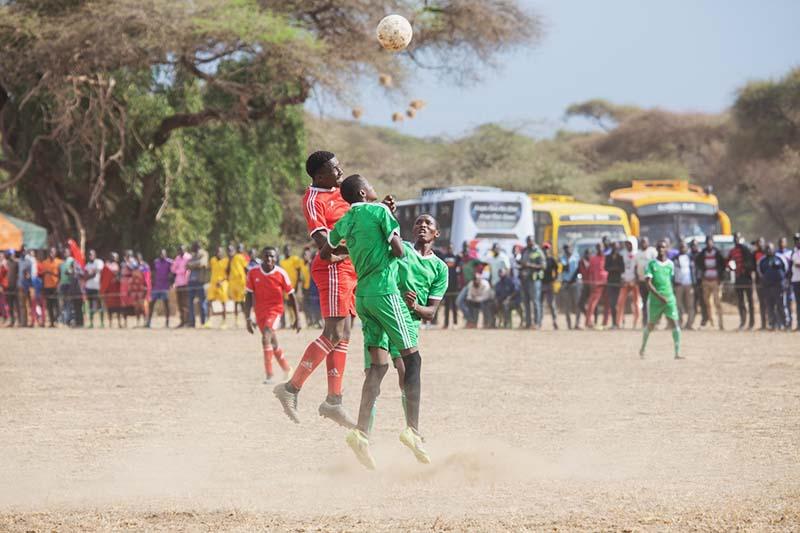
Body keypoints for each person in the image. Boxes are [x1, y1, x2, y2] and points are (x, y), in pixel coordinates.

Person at [318, 174, 427, 469]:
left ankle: (361, 434)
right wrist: (387, 234)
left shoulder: (345, 220)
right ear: (364, 193)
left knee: (378, 367)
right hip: (385, 293)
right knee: (412, 359)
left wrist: (354, 251)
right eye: (371, 187)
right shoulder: (379, 211)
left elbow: (326, 252)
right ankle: (413, 431)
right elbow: (399, 250)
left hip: (363, 297)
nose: (375, 190)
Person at [274, 151, 358, 428]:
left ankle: (334, 400)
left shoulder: (342, 192)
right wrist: (357, 246)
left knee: (344, 334)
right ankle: (291, 388)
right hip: (333, 268)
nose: (340, 171)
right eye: (335, 168)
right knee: (333, 332)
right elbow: (324, 242)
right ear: (320, 176)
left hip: (351, 268)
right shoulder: (313, 199)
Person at [367, 214, 448, 447]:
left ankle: (412, 430)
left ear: (437, 233)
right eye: (418, 222)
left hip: (409, 324)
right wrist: (387, 212)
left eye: (428, 223)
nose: (422, 225)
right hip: (385, 312)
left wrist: (414, 306)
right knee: (374, 374)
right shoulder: (402, 250)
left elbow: (431, 312)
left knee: (405, 374)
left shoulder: (440, 268)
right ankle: (364, 435)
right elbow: (384, 235)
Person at [244, 247, 301, 383]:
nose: (269, 259)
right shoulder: (253, 273)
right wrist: (248, 318)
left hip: (275, 310)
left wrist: (297, 318)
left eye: (272, 256)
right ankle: (287, 369)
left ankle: (269, 375)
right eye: (266, 256)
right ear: (262, 257)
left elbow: (292, 296)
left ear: (276, 258)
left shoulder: (281, 273)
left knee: (266, 337)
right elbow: (248, 296)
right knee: (272, 342)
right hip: (259, 312)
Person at [639, 240, 683, 360]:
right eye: (659, 247)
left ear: (667, 248)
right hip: (655, 300)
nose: (661, 249)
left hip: (669, 299)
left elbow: (670, 281)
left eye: (663, 247)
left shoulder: (670, 264)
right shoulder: (651, 264)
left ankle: (677, 353)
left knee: (675, 323)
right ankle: (642, 348)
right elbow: (648, 283)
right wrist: (660, 296)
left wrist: (670, 295)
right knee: (651, 325)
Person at [696, 236, 725, 330]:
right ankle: (712, 323)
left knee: (718, 302)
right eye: (707, 242)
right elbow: (698, 263)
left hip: (716, 281)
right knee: (708, 303)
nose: (709, 244)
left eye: (710, 242)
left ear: (713, 243)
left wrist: (721, 278)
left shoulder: (718, 253)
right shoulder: (702, 253)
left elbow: (723, 265)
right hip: (706, 281)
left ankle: (721, 324)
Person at [727, 232, 755, 330]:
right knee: (740, 301)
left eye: (738, 238)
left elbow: (752, 262)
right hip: (738, 278)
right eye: (735, 238)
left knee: (750, 301)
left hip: (747, 278)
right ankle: (743, 322)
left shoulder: (746, 249)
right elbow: (728, 261)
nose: (736, 240)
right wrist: (732, 268)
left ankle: (751, 323)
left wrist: (746, 269)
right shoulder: (733, 251)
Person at [759, 243, 788, 330]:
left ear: (773, 249)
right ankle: (772, 324)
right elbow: (760, 271)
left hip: (779, 285)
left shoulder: (780, 257)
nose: (768, 250)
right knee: (770, 306)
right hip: (768, 286)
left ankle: (784, 324)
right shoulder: (762, 260)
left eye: (770, 248)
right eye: (767, 249)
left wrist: (783, 280)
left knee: (781, 305)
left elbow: (786, 268)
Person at [519, 237, 544, 329]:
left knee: (535, 301)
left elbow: (543, 265)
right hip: (525, 280)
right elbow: (522, 263)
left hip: (534, 280)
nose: (529, 243)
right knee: (526, 302)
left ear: (533, 241)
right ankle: (528, 323)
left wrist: (530, 265)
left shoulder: (538, 251)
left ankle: (537, 323)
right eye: (528, 241)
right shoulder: (525, 251)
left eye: (530, 241)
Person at [279, 245, 305, 329]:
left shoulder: (295, 259)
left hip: (293, 286)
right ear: (284, 251)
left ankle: (295, 321)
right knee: (286, 305)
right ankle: (288, 322)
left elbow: (299, 272)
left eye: (289, 250)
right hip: (284, 287)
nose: (288, 252)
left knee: (293, 304)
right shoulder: (282, 262)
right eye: (286, 250)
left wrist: (297, 286)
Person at [146, 249, 173, 328]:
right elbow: (153, 272)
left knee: (166, 305)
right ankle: (148, 322)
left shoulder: (169, 262)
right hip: (156, 287)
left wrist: (171, 282)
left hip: (165, 286)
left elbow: (173, 272)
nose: (162, 255)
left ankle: (167, 323)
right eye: (161, 254)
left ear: (166, 254)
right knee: (151, 304)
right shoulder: (156, 262)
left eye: (163, 254)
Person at [616, 240, 639, 329]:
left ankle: (636, 323)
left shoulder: (637, 254)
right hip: (625, 281)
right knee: (620, 302)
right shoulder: (622, 254)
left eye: (630, 244)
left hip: (634, 281)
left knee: (636, 303)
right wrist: (622, 279)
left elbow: (638, 268)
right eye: (627, 244)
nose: (628, 246)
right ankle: (619, 323)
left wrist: (635, 279)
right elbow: (621, 267)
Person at [186, 241, 209, 328]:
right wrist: (195, 264)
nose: (192, 248)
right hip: (191, 281)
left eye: (193, 246)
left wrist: (192, 264)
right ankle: (192, 322)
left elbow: (202, 263)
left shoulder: (204, 253)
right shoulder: (192, 255)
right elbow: (187, 265)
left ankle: (203, 322)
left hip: (200, 281)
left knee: (202, 302)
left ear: (197, 247)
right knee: (190, 302)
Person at [585, 243, 608, 329]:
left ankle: (605, 322)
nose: (600, 249)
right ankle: (588, 322)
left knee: (607, 303)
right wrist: (591, 283)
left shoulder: (606, 258)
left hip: (606, 283)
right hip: (596, 284)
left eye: (601, 247)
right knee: (592, 303)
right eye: (598, 247)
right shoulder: (593, 259)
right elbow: (590, 272)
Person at [673, 242, 695, 329]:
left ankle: (689, 324)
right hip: (679, 285)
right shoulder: (675, 258)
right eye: (681, 247)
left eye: (684, 247)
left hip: (689, 284)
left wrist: (694, 283)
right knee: (678, 304)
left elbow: (693, 271)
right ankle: (679, 323)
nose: (683, 249)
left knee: (690, 305)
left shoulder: (690, 258)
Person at [635, 237, 656, 324]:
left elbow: (656, 265)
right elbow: (635, 267)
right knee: (644, 301)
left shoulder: (652, 251)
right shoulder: (637, 254)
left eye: (645, 242)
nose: (643, 244)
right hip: (642, 281)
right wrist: (637, 278)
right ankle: (645, 321)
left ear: (648, 242)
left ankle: (653, 321)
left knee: (653, 301)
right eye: (642, 242)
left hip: (651, 282)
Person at [207, 246, 230, 328]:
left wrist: (222, 281)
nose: (218, 253)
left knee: (223, 303)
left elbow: (229, 274)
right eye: (217, 252)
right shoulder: (212, 260)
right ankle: (209, 321)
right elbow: (210, 270)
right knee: (209, 301)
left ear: (223, 252)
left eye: (220, 252)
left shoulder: (226, 261)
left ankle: (224, 322)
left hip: (222, 284)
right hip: (213, 283)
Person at [439, 243, 461, 329]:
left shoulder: (456, 258)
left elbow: (460, 265)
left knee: (454, 305)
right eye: (449, 248)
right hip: (446, 284)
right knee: (447, 306)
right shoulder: (444, 257)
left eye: (451, 248)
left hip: (454, 285)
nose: (450, 249)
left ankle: (455, 323)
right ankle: (446, 323)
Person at [227, 244, 249, 327]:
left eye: (241, 248)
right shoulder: (233, 258)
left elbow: (246, 268)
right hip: (234, 283)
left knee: (242, 302)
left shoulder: (241, 257)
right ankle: (237, 321)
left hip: (241, 283)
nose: (240, 250)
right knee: (236, 302)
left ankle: (246, 320)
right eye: (239, 248)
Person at [39, 247, 62, 327]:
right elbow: (42, 275)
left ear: (55, 253)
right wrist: (42, 287)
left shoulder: (59, 262)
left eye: (53, 252)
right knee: (49, 306)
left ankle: (57, 321)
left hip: (55, 286)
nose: (51, 253)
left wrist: (58, 284)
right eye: (50, 252)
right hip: (47, 287)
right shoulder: (44, 262)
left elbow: (60, 275)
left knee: (57, 305)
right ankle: (52, 322)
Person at [100, 252, 124, 328]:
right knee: (110, 307)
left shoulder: (117, 265)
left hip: (116, 289)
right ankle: (110, 323)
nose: (116, 259)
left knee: (118, 307)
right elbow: (103, 278)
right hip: (109, 289)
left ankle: (119, 323)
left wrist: (118, 278)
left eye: (117, 257)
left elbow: (119, 275)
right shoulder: (106, 266)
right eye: (115, 257)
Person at [559, 244, 580, 329]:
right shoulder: (562, 259)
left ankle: (577, 323)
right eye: (565, 249)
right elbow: (560, 271)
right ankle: (569, 325)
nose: (567, 250)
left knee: (577, 303)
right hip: (565, 284)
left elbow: (578, 270)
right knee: (567, 305)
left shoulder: (576, 258)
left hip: (575, 283)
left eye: (568, 248)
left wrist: (573, 280)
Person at [604, 242, 624, 329]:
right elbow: (606, 268)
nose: (615, 249)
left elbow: (622, 269)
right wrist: (615, 268)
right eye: (614, 247)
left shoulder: (620, 257)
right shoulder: (608, 257)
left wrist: (613, 268)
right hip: (610, 282)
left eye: (616, 247)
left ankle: (619, 322)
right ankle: (614, 323)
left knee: (618, 303)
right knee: (612, 303)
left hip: (618, 283)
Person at [689, 239, 709, 326]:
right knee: (693, 303)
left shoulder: (701, 254)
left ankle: (705, 320)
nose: (694, 247)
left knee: (703, 302)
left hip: (701, 282)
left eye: (695, 245)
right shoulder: (689, 256)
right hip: (692, 282)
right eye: (693, 245)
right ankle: (691, 322)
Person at [171, 245, 191, 328]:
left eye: (182, 250)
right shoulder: (177, 258)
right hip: (178, 283)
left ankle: (187, 321)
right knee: (180, 303)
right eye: (179, 250)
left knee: (186, 303)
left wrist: (180, 270)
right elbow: (173, 269)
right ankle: (182, 321)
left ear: (185, 250)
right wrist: (181, 270)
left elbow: (188, 269)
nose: (180, 252)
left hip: (186, 283)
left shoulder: (188, 257)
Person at [83, 249, 104, 328]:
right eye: (89, 254)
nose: (90, 256)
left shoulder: (99, 262)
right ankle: (91, 323)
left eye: (91, 254)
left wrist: (89, 275)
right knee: (90, 305)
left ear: (95, 255)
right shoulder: (87, 265)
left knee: (99, 305)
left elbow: (96, 273)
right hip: (89, 287)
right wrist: (90, 275)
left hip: (97, 287)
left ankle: (102, 323)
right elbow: (85, 276)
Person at [541, 243, 559, 329]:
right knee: (540, 304)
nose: (546, 250)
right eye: (544, 248)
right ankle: (539, 322)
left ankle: (555, 321)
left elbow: (556, 269)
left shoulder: (551, 259)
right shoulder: (541, 259)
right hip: (541, 284)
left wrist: (555, 278)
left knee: (551, 303)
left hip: (549, 284)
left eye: (547, 248)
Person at [776, 237, 793, 329]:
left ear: (786, 243)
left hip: (789, 281)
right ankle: (781, 323)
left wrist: (788, 279)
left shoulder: (790, 253)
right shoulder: (776, 254)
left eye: (783, 242)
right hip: (779, 282)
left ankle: (789, 322)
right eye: (780, 242)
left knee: (788, 302)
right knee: (780, 303)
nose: (781, 243)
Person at [58, 248, 77, 326]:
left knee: (70, 302)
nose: (65, 253)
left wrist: (70, 272)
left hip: (70, 284)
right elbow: (60, 275)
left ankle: (70, 320)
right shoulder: (62, 263)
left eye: (66, 252)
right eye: (64, 252)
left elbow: (75, 271)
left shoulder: (72, 260)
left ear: (69, 253)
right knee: (63, 303)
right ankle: (65, 320)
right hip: (63, 284)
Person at [753, 238, 768, 330]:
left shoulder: (768, 253)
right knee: (762, 303)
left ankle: (771, 322)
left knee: (769, 302)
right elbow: (753, 266)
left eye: (761, 243)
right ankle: (763, 324)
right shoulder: (754, 254)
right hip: (759, 281)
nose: (759, 245)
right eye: (758, 243)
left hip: (769, 282)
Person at [576, 248, 592, 330]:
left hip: (593, 285)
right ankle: (588, 320)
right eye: (586, 254)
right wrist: (570, 281)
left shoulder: (593, 262)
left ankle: (592, 322)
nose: (587, 255)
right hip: (584, 285)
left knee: (593, 305)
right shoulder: (581, 262)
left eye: (589, 254)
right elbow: (578, 272)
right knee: (580, 304)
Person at [3, 250, 18, 326]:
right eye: (12, 254)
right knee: (10, 305)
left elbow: (18, 274)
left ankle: (18, 321)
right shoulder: (6, 263)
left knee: (17, 304)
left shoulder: (16, 263)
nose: (13, 255)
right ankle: (12, 321)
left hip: (15, 286)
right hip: (7, 287)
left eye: (13, 254)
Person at [791, 233, 800, 331]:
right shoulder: (794, 252)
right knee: (798, 304)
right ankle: (798, 324)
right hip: (796, 281)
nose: (797, 242)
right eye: (796, 240)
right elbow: (796, 264)